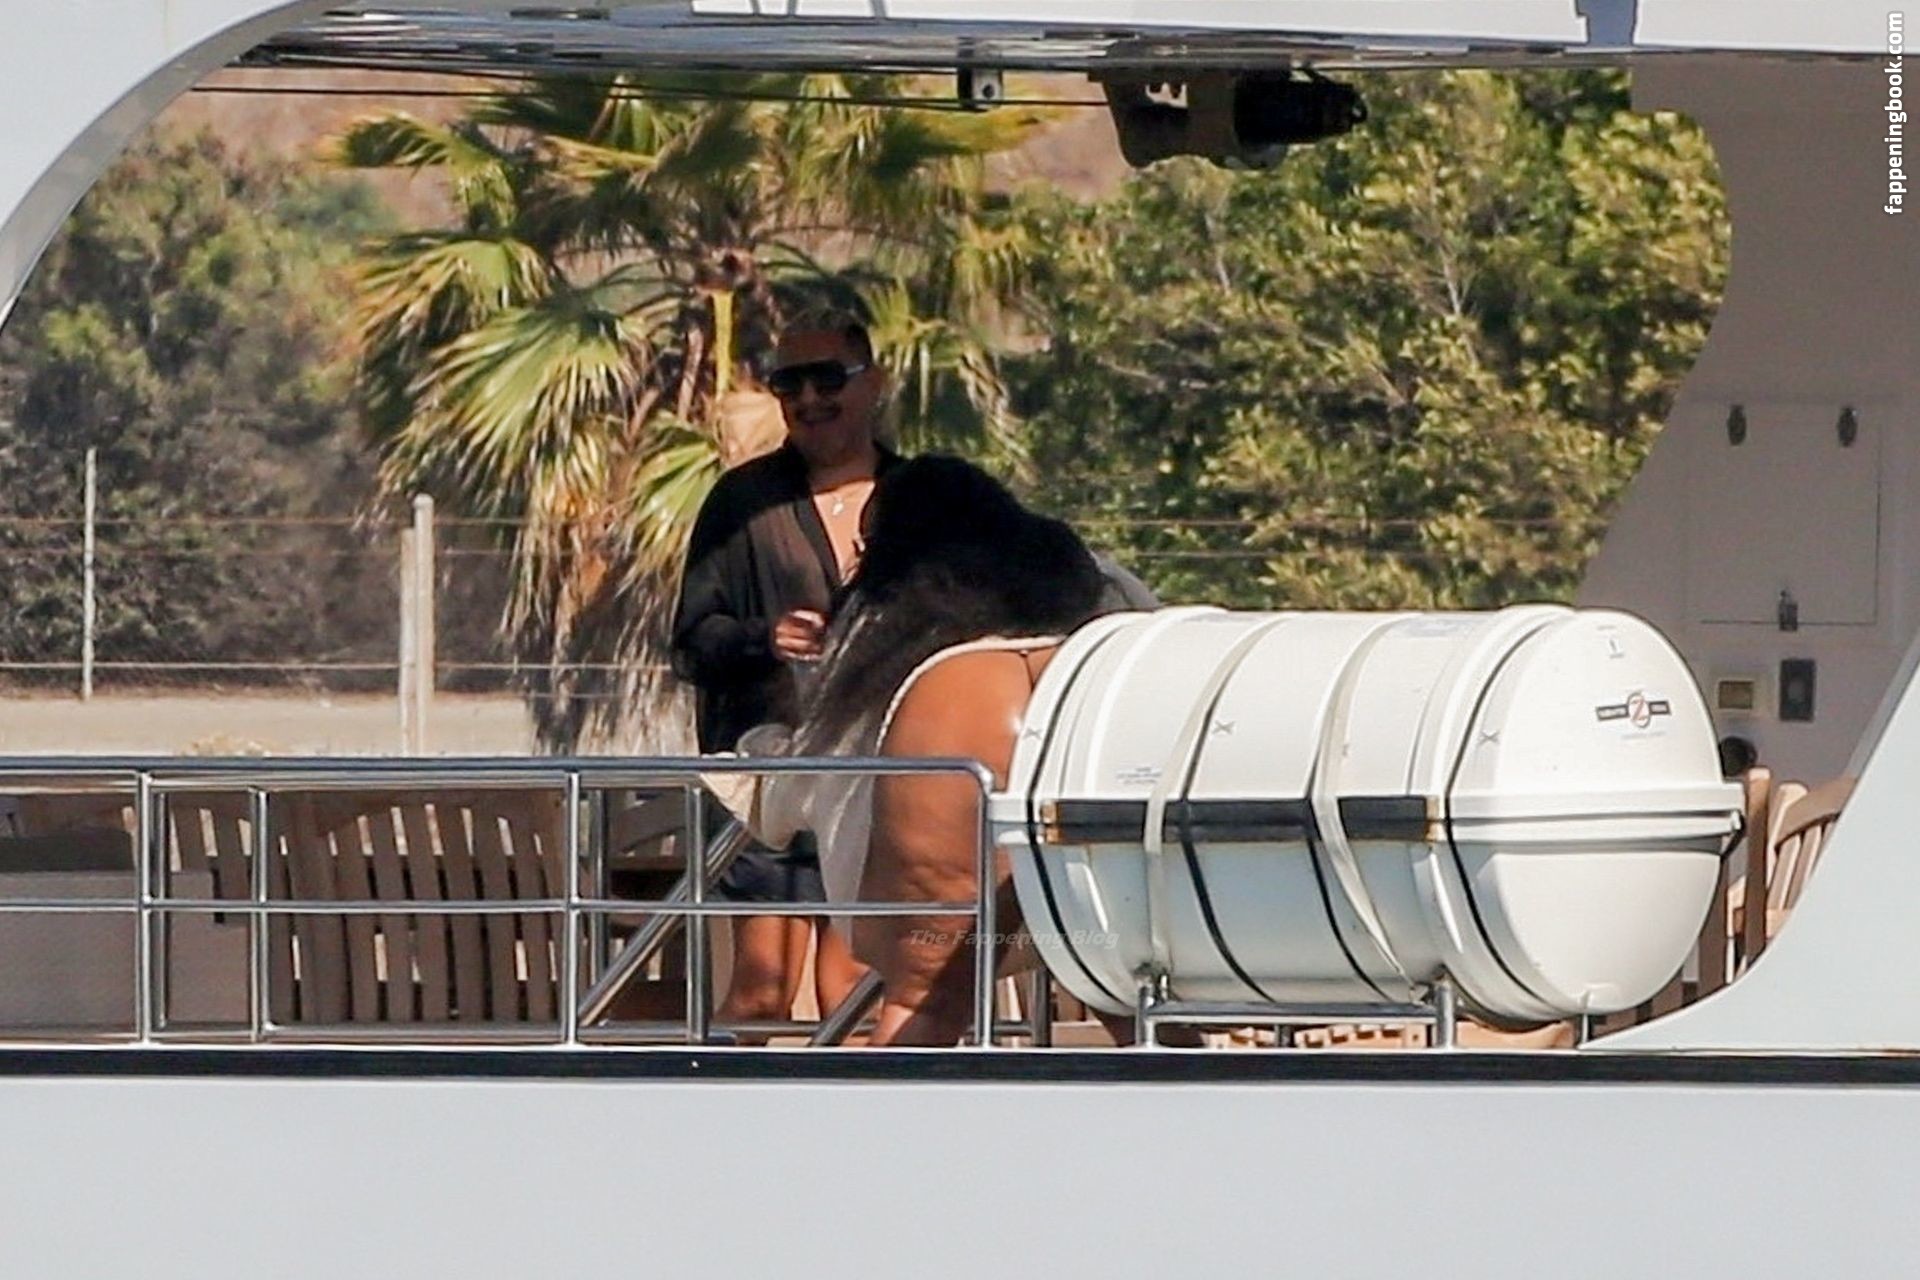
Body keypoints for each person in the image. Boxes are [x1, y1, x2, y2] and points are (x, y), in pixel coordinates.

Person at [670, 314, 893, 1031]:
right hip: (770, 773)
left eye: (827, 379)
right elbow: (691, 642)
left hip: (878, 780)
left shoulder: (919, 498)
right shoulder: (743, 502)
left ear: (873, 383)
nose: (809, 399)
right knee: (762, 990)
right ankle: (716, 1098)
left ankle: (853, 1106)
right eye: (789, 385)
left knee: (852, 993)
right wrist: (766, 638)